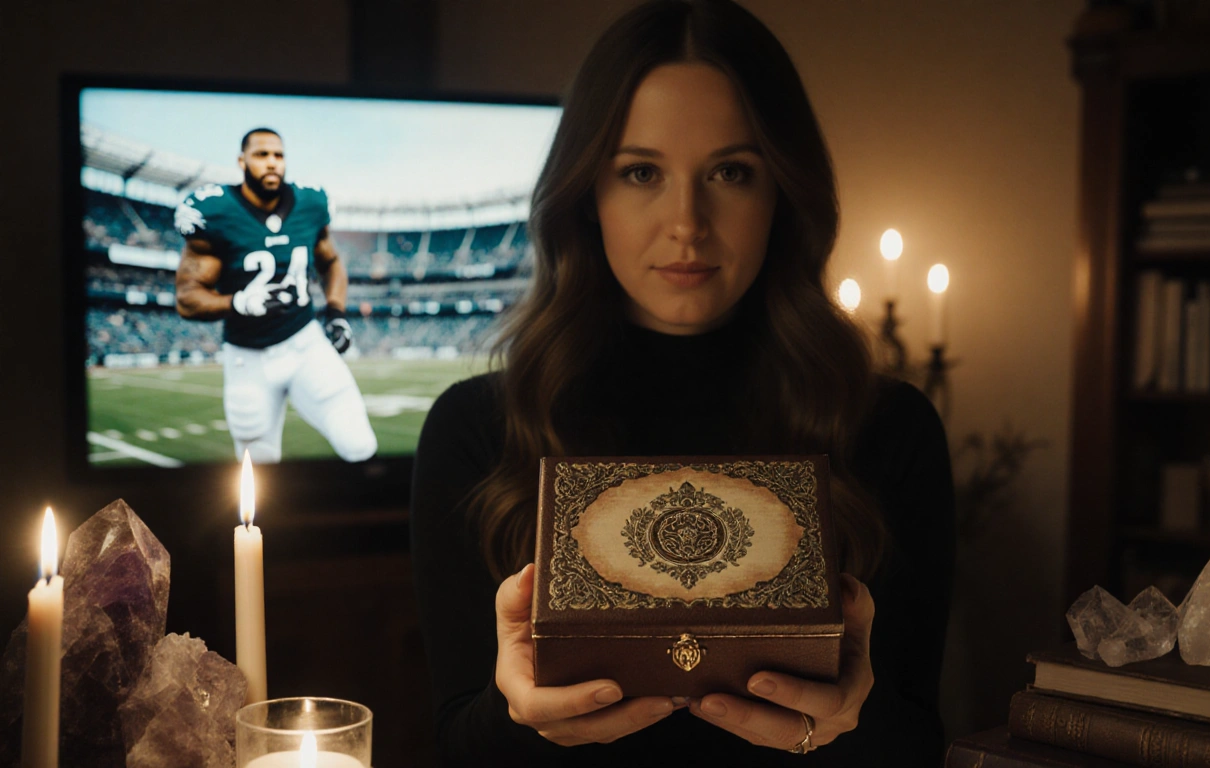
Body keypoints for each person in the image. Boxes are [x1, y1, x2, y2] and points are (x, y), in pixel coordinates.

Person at [410, 1, 954, 765]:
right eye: (641, 172)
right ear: (586, 195)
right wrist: (519, 714)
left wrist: (850, 718)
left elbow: (919, 745)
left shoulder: (888, 427)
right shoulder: (478, 429)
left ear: (783, 194)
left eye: (732, 172)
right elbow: (455, 748)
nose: (688, 222)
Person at [173, 128, 377, 464]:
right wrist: (238, 303)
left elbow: (332, 261)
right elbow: (187, 297)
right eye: (261, 155)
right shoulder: (214, 211)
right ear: (242, 161)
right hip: (247, 358)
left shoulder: (310, 204)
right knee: (259, 469)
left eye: (278, 155)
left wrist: (336, 311)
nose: (272, 163)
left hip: (306, 343)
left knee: (359, 444)